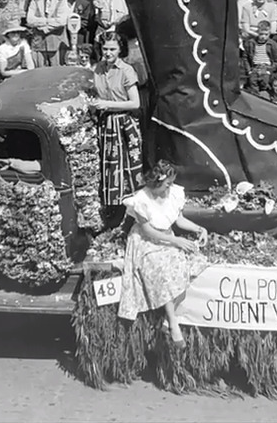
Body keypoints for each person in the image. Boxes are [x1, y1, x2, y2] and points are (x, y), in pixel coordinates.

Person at [117, 160, 209, 349]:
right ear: (156, 182)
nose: (170, 187)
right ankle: (174, 325)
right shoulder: (141, 199)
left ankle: (167, 322)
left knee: (190, 262)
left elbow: (179, 220)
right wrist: (175, 241)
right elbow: (148, 231)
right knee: (163, 269)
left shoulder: (174, 194)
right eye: (167, 183)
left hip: (166, 237)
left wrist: (200, 229)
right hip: (145, 241)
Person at [89, 33, 142, 206]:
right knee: (111, 167)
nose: (108, 53)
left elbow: (135, 103)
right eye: (105, 49)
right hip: (107, 123)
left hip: (125, 123)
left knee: (127, 166)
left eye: (112, 49)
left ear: (120, 50)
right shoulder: (97, 68)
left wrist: (106, 103)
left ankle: (134, 208)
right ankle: (113, 207)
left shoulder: (126, 70)